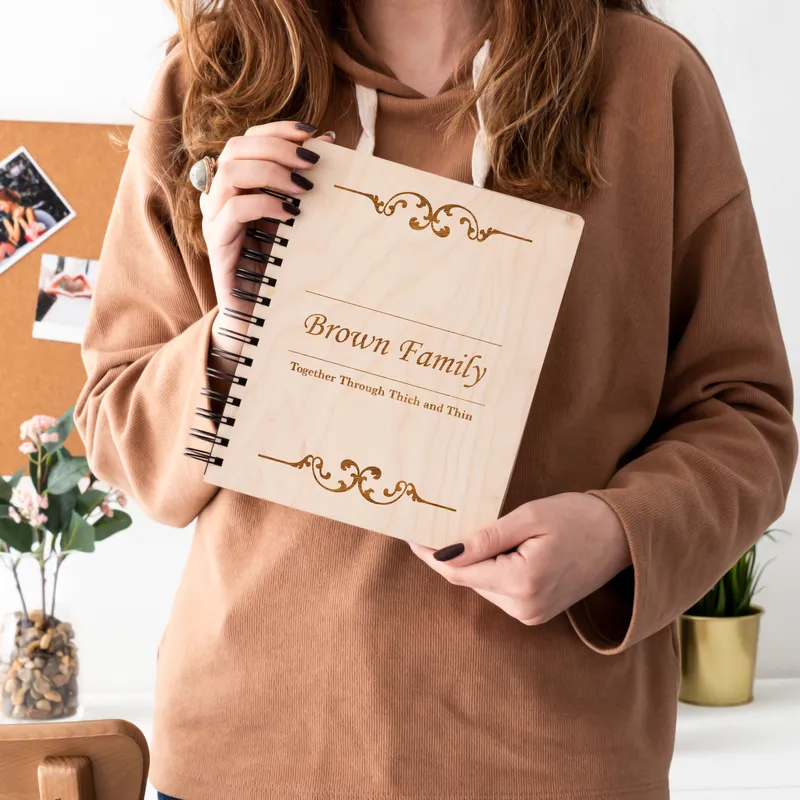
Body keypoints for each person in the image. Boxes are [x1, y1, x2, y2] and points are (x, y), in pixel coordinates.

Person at [74, 1, 797, 799]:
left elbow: (745, 414)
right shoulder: (214, 82)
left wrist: (618, 533)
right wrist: (238, 328)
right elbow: (117, 431)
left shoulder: (651, 80)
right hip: (248, 753)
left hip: (560, 759)